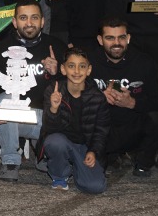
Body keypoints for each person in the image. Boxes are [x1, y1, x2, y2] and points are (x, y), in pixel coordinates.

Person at [0, 0, 68, 181]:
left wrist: (57, 72)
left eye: (34, 17)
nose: (29, 23)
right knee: (2, 101)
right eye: (23, 17)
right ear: (14, 22)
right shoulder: (0, 49)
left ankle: (43, 151)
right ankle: (11, 162)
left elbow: (73, 88)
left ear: (42, 21)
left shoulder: (56, 46)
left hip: (47, 118)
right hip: (15, 119)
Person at [87, 17, 158, 176]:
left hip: (133, 126)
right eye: (110, 38)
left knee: (157, 118)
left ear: (128, 38)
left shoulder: (144, 62)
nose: (117, 43)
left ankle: (143, 163)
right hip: (102, 128)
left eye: (121, 37)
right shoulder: (88, 62)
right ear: (100, 40)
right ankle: (110, 156)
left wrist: (132, 103)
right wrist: (98, 97)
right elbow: (74, 98)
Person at [42, 47, 110, 193]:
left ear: (89, 70)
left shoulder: (97, 97)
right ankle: (60, 175)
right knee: (55, 142)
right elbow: (48, 129)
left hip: (85, 147)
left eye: (82, 66)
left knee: (95, 187)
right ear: (63, 69)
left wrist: (93, 151)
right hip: (63, 142)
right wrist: (54, 108)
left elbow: (101, 131)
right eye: (71, 66)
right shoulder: (54, 91)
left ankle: (78, 168)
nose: (77, 71)